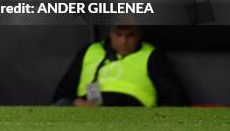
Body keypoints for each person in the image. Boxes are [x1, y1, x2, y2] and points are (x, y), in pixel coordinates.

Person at [54, 25, 188, 107]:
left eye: (130, 35)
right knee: (60, 106)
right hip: (87, 110)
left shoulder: (151, 55)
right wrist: (77, 103)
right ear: (110, 33)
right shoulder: (89, 51)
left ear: (139, 34)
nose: (123, 41)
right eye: (118, 34)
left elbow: (175, 98)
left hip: (131, 112)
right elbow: (62, 92)